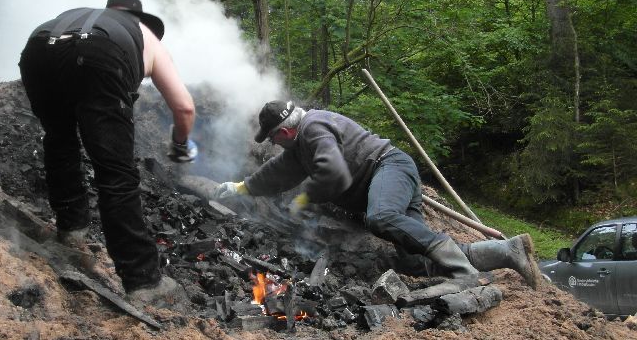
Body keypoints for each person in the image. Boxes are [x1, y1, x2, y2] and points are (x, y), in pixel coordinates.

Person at [215, 100, 539, 288]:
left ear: (284, 131)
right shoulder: (300, 145)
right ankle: (506, 251)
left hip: (389, 168)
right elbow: (278, 171)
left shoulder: (313, 129)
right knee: (413, 260)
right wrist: (242, 188)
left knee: (380, 217)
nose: (274, 144)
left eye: (273, 138)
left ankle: (465, 275)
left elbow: (334, 172)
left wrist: (304, 197)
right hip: (390, 177)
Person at [19, 0, 197, 304]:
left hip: (37, 52)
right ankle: (143, 281)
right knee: (115, 171)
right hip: (99, 57)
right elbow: (184, 109)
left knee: (60, 140)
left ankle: (71, 230)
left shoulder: (81, 14)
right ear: (140, 19)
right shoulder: (146, 36)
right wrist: (180, 145)